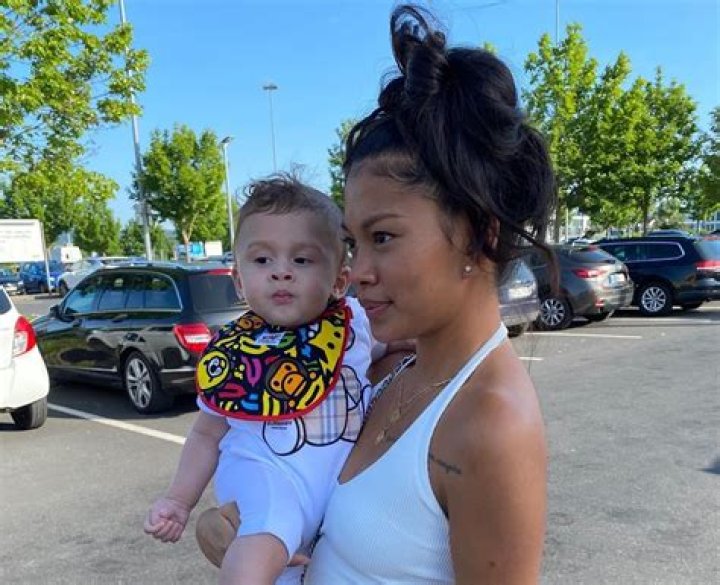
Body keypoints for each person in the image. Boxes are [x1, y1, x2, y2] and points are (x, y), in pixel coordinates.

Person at [302, 4, 556, 584]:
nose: (357, 272)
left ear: (479, 232)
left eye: (383, 237)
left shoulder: (492, 423)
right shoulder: (393, 370)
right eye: (353, 242)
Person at [144, 175, 383, 585]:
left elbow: (400, 348)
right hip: (265, 477)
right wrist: (179, 500)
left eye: (302, 260)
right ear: (239, 280)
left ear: (339, 280)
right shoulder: (233, 353)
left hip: (330, 501)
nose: (281, 272)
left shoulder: (355, 325)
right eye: (262, 260)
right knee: (268, 530)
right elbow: (206, 434)